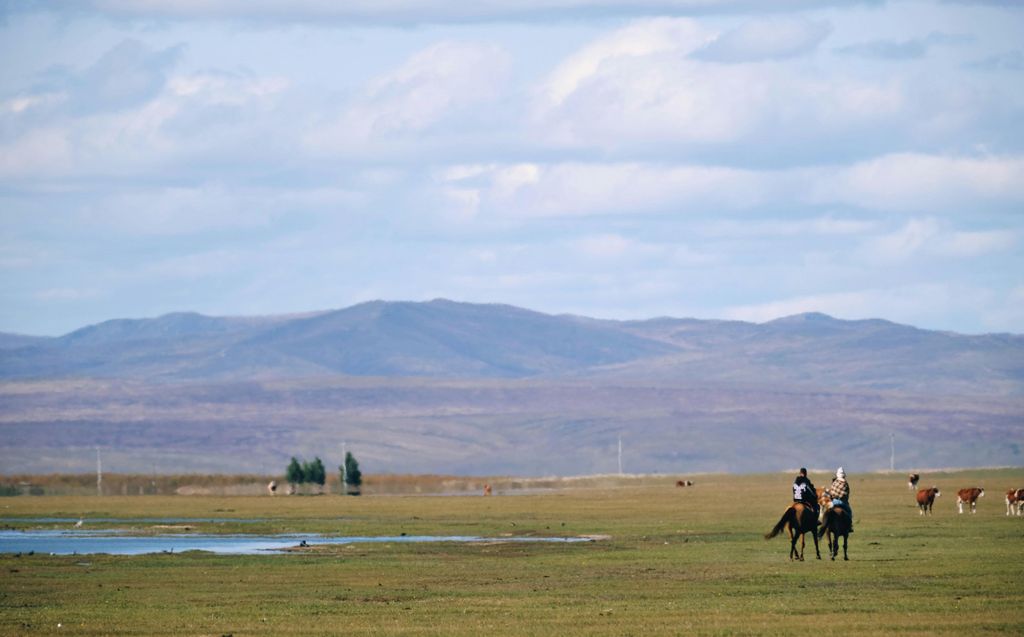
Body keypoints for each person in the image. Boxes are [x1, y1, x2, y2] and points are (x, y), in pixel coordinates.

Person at [824, 466, 853, 532]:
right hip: (842, 502)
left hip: (833, 501)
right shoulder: (845, 483)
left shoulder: (835, 482)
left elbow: (832, 491)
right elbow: (846, 493)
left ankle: (825, 524)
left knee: (825, 510)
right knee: (850, 512)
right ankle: (850, 526)